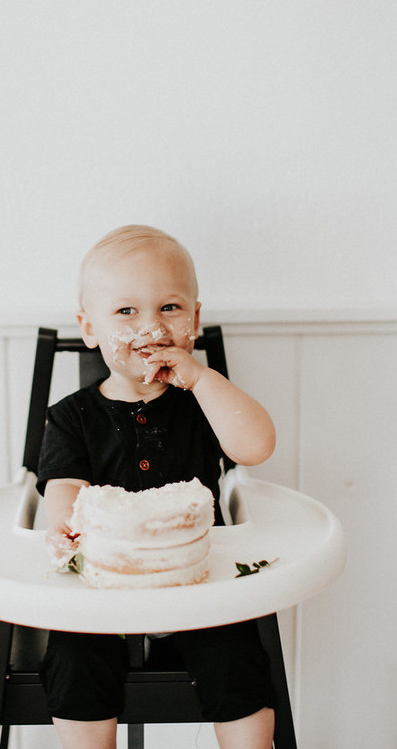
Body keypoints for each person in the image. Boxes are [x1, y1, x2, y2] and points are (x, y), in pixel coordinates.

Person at [36, 224, 277, 749]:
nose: (150, 326)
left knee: (237, 659)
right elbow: (64, 495)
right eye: (126, 312)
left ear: (193, 319)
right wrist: (65, 530)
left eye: (169, 308)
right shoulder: (72, 417)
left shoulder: (203, 403)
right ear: (90, 328)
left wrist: (202, 379)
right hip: (105, 587)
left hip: (197, 582)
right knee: (75, 661)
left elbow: (255, 448)